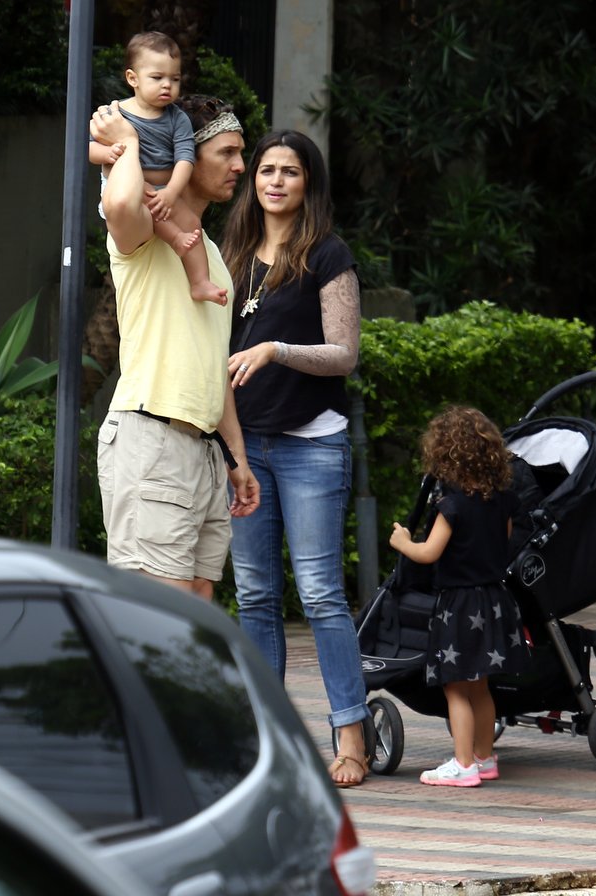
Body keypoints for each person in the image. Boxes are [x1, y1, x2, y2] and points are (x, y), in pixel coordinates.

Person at [221, 129, 370, 788]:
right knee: (255, 595)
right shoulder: (230, 253)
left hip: (311, 442)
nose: (275, 181)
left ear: (309, 183)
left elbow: (344, 355)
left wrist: (275, 350)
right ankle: (269, 741)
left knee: (320, 594)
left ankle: (351, 738)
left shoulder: (327, 254)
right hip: (243, 446)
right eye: (265, 170)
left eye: (289, 171)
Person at [91, 93, 260, 600]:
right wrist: (129, 140)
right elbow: (119, 203)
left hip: (203, 447)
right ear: (183, 153)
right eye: (226, 152)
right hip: (152, 436)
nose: (240, 166)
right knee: (163, 614)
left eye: (240, 153)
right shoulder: (148, 229)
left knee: (199, 602)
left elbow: (211, 363)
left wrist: (237, 458)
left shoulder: (207, 254)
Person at [389, 406, 531, 787]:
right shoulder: (502, 501)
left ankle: (463, 765)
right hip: (494, 600)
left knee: (455, 688)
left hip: (460, 605)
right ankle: (484, 759)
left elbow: (429, 552)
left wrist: (403, 542)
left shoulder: (451, 506)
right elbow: (503, 543)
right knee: (481, 687)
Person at [89, 32, 227, 306]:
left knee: (192, 223)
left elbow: (185, 159)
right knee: (149, 205)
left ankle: (200, 282)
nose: (167, 85)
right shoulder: (116, 115)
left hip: (164, 189)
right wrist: (108, 153)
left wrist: (172, 192)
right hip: (129, 186)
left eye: (175, 79)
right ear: (133, 78)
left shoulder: (177, 119)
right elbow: (89, 149)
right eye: (157, 77)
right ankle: (175, 239)